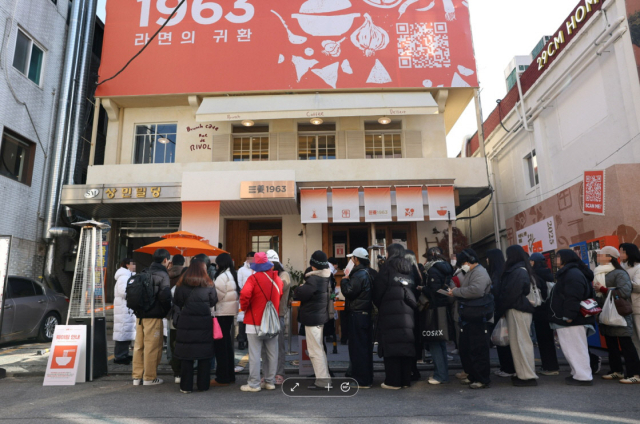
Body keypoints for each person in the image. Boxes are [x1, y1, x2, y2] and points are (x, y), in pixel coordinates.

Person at [549, 250, 596, 386]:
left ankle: (583, 377)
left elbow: (573, 296)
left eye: (558, 257)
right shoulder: (572, 272)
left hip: (572, 320)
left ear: (566, 258)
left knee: (575, 348)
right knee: (572, 348)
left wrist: (569, 315)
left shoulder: (572, 274)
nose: (555, 259)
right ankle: (578, 374)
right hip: (573, 319)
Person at [594, 246, 640, 384]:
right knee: (611, 344)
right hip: (605, 312)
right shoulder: (599, 272)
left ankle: (635, 374)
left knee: (626, 344)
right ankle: (616, 371)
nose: (598, 257)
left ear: (609, 257)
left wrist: (603, 289)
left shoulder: (619, 273)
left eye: (601, 254)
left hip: (618, 312)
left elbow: (624, 291)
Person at [373, 244, 416, 390]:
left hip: (390, 312)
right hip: (408, 313)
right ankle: (405, 380)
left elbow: (378, 292)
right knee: (405, 345)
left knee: (391, 346)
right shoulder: (409, 268)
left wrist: (382, 305)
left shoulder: (387, 268)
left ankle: (393, 381)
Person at [240, 252, 283, 392]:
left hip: (254, 321)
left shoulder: (253, 279)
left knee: (255, 353)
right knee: (272, 353)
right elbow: (280, 295)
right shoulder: (277, 279)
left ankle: (254, 384)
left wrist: (245, 308)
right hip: (272, 321)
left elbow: (244, 294)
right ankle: (270, 381)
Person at [173, 258, 218, 393]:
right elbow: (213, 301)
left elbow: (177, 302)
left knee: (186, 355)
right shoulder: (209, 284)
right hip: (204, 321)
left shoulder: (181, 284)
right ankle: (203, 385)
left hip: (186, 322)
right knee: (204, 354)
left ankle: (186, 386)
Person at [450, 248, 493, 389]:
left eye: (464, 263)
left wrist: (456, 291)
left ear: (470, 261)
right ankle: (472, 375)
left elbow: (476, 290)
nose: (463, 266)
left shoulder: (479, 272)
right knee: (467, 348)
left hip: (478, 316)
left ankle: (482, 378)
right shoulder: (472, 272)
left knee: (478, 349)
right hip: (470, 315)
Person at [496, 245, 538, 387]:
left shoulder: (518, 271)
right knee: (519, 343)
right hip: (519, 309)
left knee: (521, 342)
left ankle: (527, 376)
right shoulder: (522, 269)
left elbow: (511, 293)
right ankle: (523, 374)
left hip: (517, 310)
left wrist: (501, 308)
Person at [132, 249, 172, 386]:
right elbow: (165, 297)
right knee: (152, 346)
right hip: (153, 316)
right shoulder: (163, 274)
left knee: (139, 345)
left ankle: (137, 377)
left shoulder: (144, 272)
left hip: (139, 315)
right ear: (165, 260)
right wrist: (166, 312)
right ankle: (149, 377)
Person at [295, 251, 332, 390]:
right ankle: (325, 378)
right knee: (319, 349)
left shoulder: (314, 279)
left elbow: (300, 294)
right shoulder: (325, 277)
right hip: (319, 317)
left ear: (314, 265)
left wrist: (299, 288)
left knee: (315, 351)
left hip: (313, 318)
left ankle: (323, 381)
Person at [341, 247, 377, 388]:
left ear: (356, 259)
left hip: (357, 315)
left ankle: (361, 380)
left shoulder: (359, 275)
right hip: (366, 314)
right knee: (365, 348)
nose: (351, 260)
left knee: (358, 348)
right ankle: (367, 377)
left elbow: (349, 292)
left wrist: (344, 281)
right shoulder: (369, 272)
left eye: (352, 258)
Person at [419, 247, 454, 385]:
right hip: (444, 307)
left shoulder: (433, 269)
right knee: (441, 342)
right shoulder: (446, 267)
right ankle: (442, 373)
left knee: (435, 342)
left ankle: (440, 375)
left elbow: (434, 290)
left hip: (434, 308)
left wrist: (422, 288)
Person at [211, 253, 240, 387]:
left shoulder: (222, 277)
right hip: (229, 313)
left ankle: (222, 377)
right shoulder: (232, 274)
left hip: (221, 313)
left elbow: (216, 296)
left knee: (220, 346)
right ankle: (229, 375)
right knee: (227, 345)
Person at [486, 249, 515, 378]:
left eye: (488, 257)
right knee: (501, 340)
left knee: (502, 339)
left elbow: (497, 294)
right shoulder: (501, 271)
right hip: (500, 310)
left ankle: (508, 368)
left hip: (499, 311)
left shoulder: (497, 274)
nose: (486, 260)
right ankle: (505, 367)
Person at [530, 252, 560, 376]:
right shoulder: (548, 273)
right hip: (549, 310)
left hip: (540, 311)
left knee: (543, 341)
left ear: (534, 262)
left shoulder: (535, 275)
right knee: (549, 341)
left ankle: (549, 367)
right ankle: (552, 366)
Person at [266, 250, 291, 385]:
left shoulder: (283, 275)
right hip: (267, 315)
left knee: (279, 346)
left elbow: (279, 288)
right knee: (266, 347)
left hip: (278, 314)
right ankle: (269, 373)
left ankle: (280, 373)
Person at [405, 249, 424, 382]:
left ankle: (411, 370)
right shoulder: (418, 272)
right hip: (417, 310)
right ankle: (414, 369)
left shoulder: (408, 274)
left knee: (409, 340)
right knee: (415, 340)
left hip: (409, 311)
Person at [167, 254, 186, 382]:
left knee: (174, 344)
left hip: (173, 318)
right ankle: (184, 370)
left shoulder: (167, 275)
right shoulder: (188, 280)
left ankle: (176, 372)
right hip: (187, 319)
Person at [113, 259, 136, 365]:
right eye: (133, 264)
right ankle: (120, 357)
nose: (134, 266)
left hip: (125, 309)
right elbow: (123, 292)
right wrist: (136, 292)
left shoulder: (127, 275)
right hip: (123, 309)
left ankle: (124, 354)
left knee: (125, 332)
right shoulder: (123, 276)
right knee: (122, 332)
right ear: (127, 265)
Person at [619, 243, 640, 355]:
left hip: (637, 307)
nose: (620, 254)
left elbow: (638, 286)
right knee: (634, 339)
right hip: (626, 308)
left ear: (629, 253)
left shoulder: (638, 267)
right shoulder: (621, 267)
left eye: (622, 252)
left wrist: (623, 283)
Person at [237, 252, 255, 351]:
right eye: (250, 258)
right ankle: (241, 341)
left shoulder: (258, 269)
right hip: (244, 296)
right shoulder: (241, 270)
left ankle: (249, 341)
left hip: (255, 298)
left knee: (252, 319)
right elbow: (239, 283)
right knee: (242, 320)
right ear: (247, 258)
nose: (251, 260)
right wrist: (245, 291)